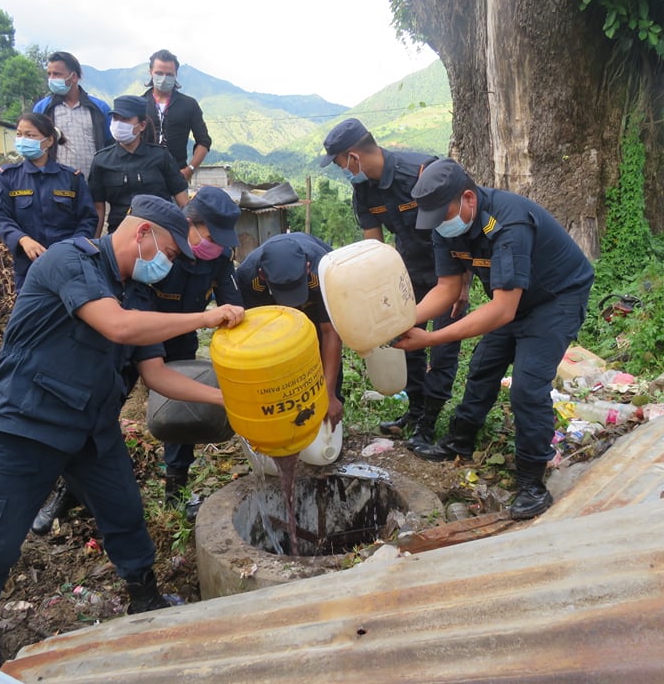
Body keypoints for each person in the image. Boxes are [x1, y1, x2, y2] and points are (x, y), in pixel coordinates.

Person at [0, 195, 245, 668]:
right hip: (23, 425)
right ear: (143, 233)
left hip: (89, 428)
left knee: (125, 513)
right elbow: (117, 327)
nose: (168, 267)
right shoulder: (70, 259)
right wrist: (207, 317)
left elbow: (156, 374)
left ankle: (144, 596)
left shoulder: (139, 292)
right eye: (169, 254)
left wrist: (226, 399)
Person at [393, 158, 594, 521]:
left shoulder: (508, 224)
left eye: (443, 215)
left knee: (527, 386)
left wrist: (432, 338)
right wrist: (403, 322)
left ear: (468, 198)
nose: (439, 225)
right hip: (514, 297)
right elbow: (446, 288)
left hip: (556, 297)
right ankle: (460, 440)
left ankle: (532, 482)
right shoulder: (446, 226)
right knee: (484, 365)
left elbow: (502, 310)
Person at [320, 118, 469, 449]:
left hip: (449, 272)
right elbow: (373, 249)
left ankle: (429, 422)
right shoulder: (363, 191)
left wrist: (465, 283)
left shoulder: (419, 172)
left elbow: (463, 227)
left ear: (353, 156)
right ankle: (414, 413)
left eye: (340, 162)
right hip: (405, 274)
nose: (342, 169)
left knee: (442, 346)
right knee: (406, 341)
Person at [154, 187, 243, 508]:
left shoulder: (218, 258)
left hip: (181, 342)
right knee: (103, 408)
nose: (216, 245)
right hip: (136, 333)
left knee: (181, 409)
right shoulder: (159, 247)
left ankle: (175, 493)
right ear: (189, 222)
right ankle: (72, 489)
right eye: (212, 236)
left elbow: (233, 303)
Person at [236, 233, 344, 427]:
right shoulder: (248, 278)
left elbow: (331, 333)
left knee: (321, 355)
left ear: (307, 267)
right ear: (262, 275)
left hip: (315, 303)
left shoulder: (324, 269)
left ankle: (331, 414)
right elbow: (255, 340)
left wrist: (329, 394)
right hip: (273, 318)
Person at [0, 112, 98, 291]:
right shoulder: (8, 177)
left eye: (30, 135)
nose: (23, 139)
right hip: (27, 266)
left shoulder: (71, 178)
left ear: (48, 141)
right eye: (19, 134)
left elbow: (88, 218)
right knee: (31, 316)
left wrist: (70, 248)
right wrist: (22, 239)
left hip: (68, 265)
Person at [88, 95, 189, 234]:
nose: (118, 124)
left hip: (160, 231)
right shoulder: (101, 160)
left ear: (141, 125)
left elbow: (183, 201)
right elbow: (98, 208)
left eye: (125, 119)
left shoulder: (160, 156)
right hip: (120, 234)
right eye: (115, 118)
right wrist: (95, 245)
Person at [33, 51, 113, 177]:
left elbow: (110, 146)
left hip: (91, 184)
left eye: (57, 74)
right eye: (49, 74)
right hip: (55, 184)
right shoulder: (43, 108)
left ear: (73, 77)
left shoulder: (99, 108)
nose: (51, 79)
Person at [142, 49, 212, 181]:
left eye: (169, 74)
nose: (163, 78)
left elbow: (204, 141)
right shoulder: (140, 104)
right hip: (145, 177)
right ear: (150, 72)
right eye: (159, 73)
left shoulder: (189, 104)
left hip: (177, 177)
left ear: (176, 74)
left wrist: (189, 170)